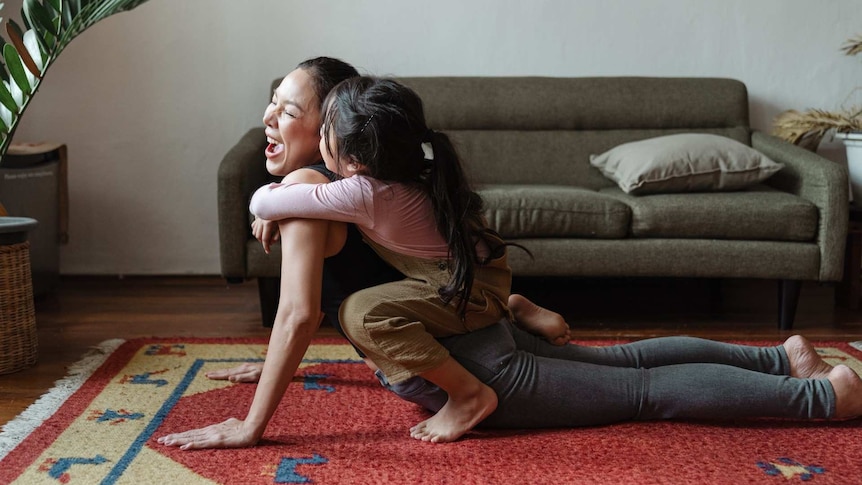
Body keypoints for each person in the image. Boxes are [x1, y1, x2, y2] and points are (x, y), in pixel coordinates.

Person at [158, 61, 862, 451]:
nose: (269, 121)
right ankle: (782, 358)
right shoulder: (367, 180)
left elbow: (300, 313)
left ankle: (819, 396)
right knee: (629, 362)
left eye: (288, 109)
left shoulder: (325, 191)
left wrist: (253, 422)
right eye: (271, 104)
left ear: (339, 137)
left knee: (644, 391)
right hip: (472, 319)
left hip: (481, 363)